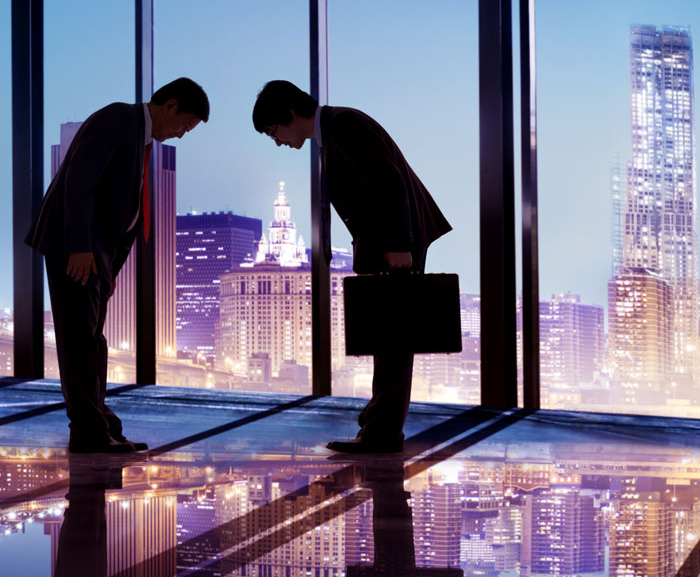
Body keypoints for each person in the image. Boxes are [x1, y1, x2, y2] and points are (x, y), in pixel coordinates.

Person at [252, 80, 451, 454]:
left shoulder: (344, 126)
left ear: (289, 114)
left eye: (272, 131)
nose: (276, 140)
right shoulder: (335, 128)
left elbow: (390, 181)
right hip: (391, 242)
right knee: (387, 338)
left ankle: (381, 433)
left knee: (392, 340)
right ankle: (378, 429)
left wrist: (399, 245)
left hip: (397, 244)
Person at [26, 78, 210, 453]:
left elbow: (124, 214)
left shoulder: (138, 137)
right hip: (74, 248)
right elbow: (79, 182)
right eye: (185, 126)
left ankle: (101, 425)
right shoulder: (117, 119)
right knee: (79, 342)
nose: (181, 135)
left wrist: (108, 269)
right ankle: (89, 434)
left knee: (92, 340)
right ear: (170, 106)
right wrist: (79, 247)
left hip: (97, 255)